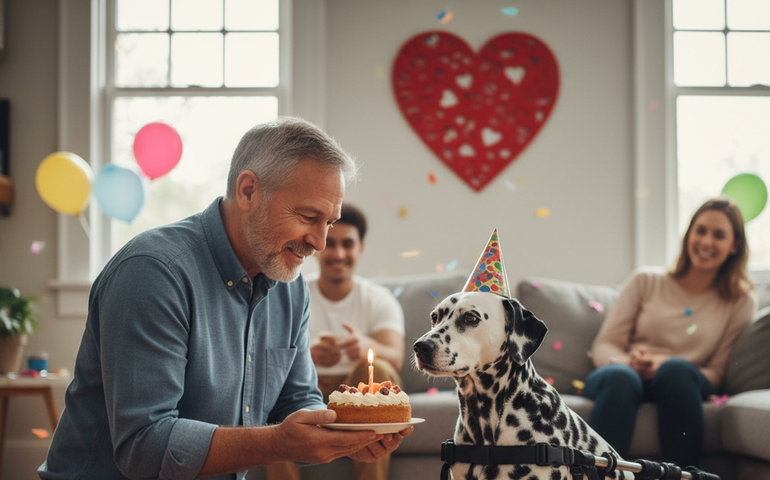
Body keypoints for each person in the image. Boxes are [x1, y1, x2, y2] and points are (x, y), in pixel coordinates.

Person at [38, 117, 412, 480]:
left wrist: (343, 434)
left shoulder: (289, 284)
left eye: (328, 222)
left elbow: (297, 400)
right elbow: (143, 447)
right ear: (248, 191)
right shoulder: (153, 272)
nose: (320, 243)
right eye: (307, 216)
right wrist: (278, 442)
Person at [583, 197, 757, 468]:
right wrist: (629, 362)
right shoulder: (645, 281)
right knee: (621, 377)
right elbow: (606, 343)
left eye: (719, 235)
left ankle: (683, 474)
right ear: (689, 235)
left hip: (682, 382)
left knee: (676, 370)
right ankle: (596, 474)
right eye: (700, 230)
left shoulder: (740, 301)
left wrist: (662, 364)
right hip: (624, 373)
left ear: (734, 246)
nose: (706, 241)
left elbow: (718, 372)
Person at [265, 203, 405, 480]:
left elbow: (397, 357)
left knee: (382, 369)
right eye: (331, 243)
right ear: (318, 247)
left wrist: (367, 347)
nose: (339, 253)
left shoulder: (379, 298)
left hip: (359, 392)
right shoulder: (292, 292)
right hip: (306, 387)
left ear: (360, 248)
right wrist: (307, 356)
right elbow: (268, 357)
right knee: (277, 386)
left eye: (348, 244)